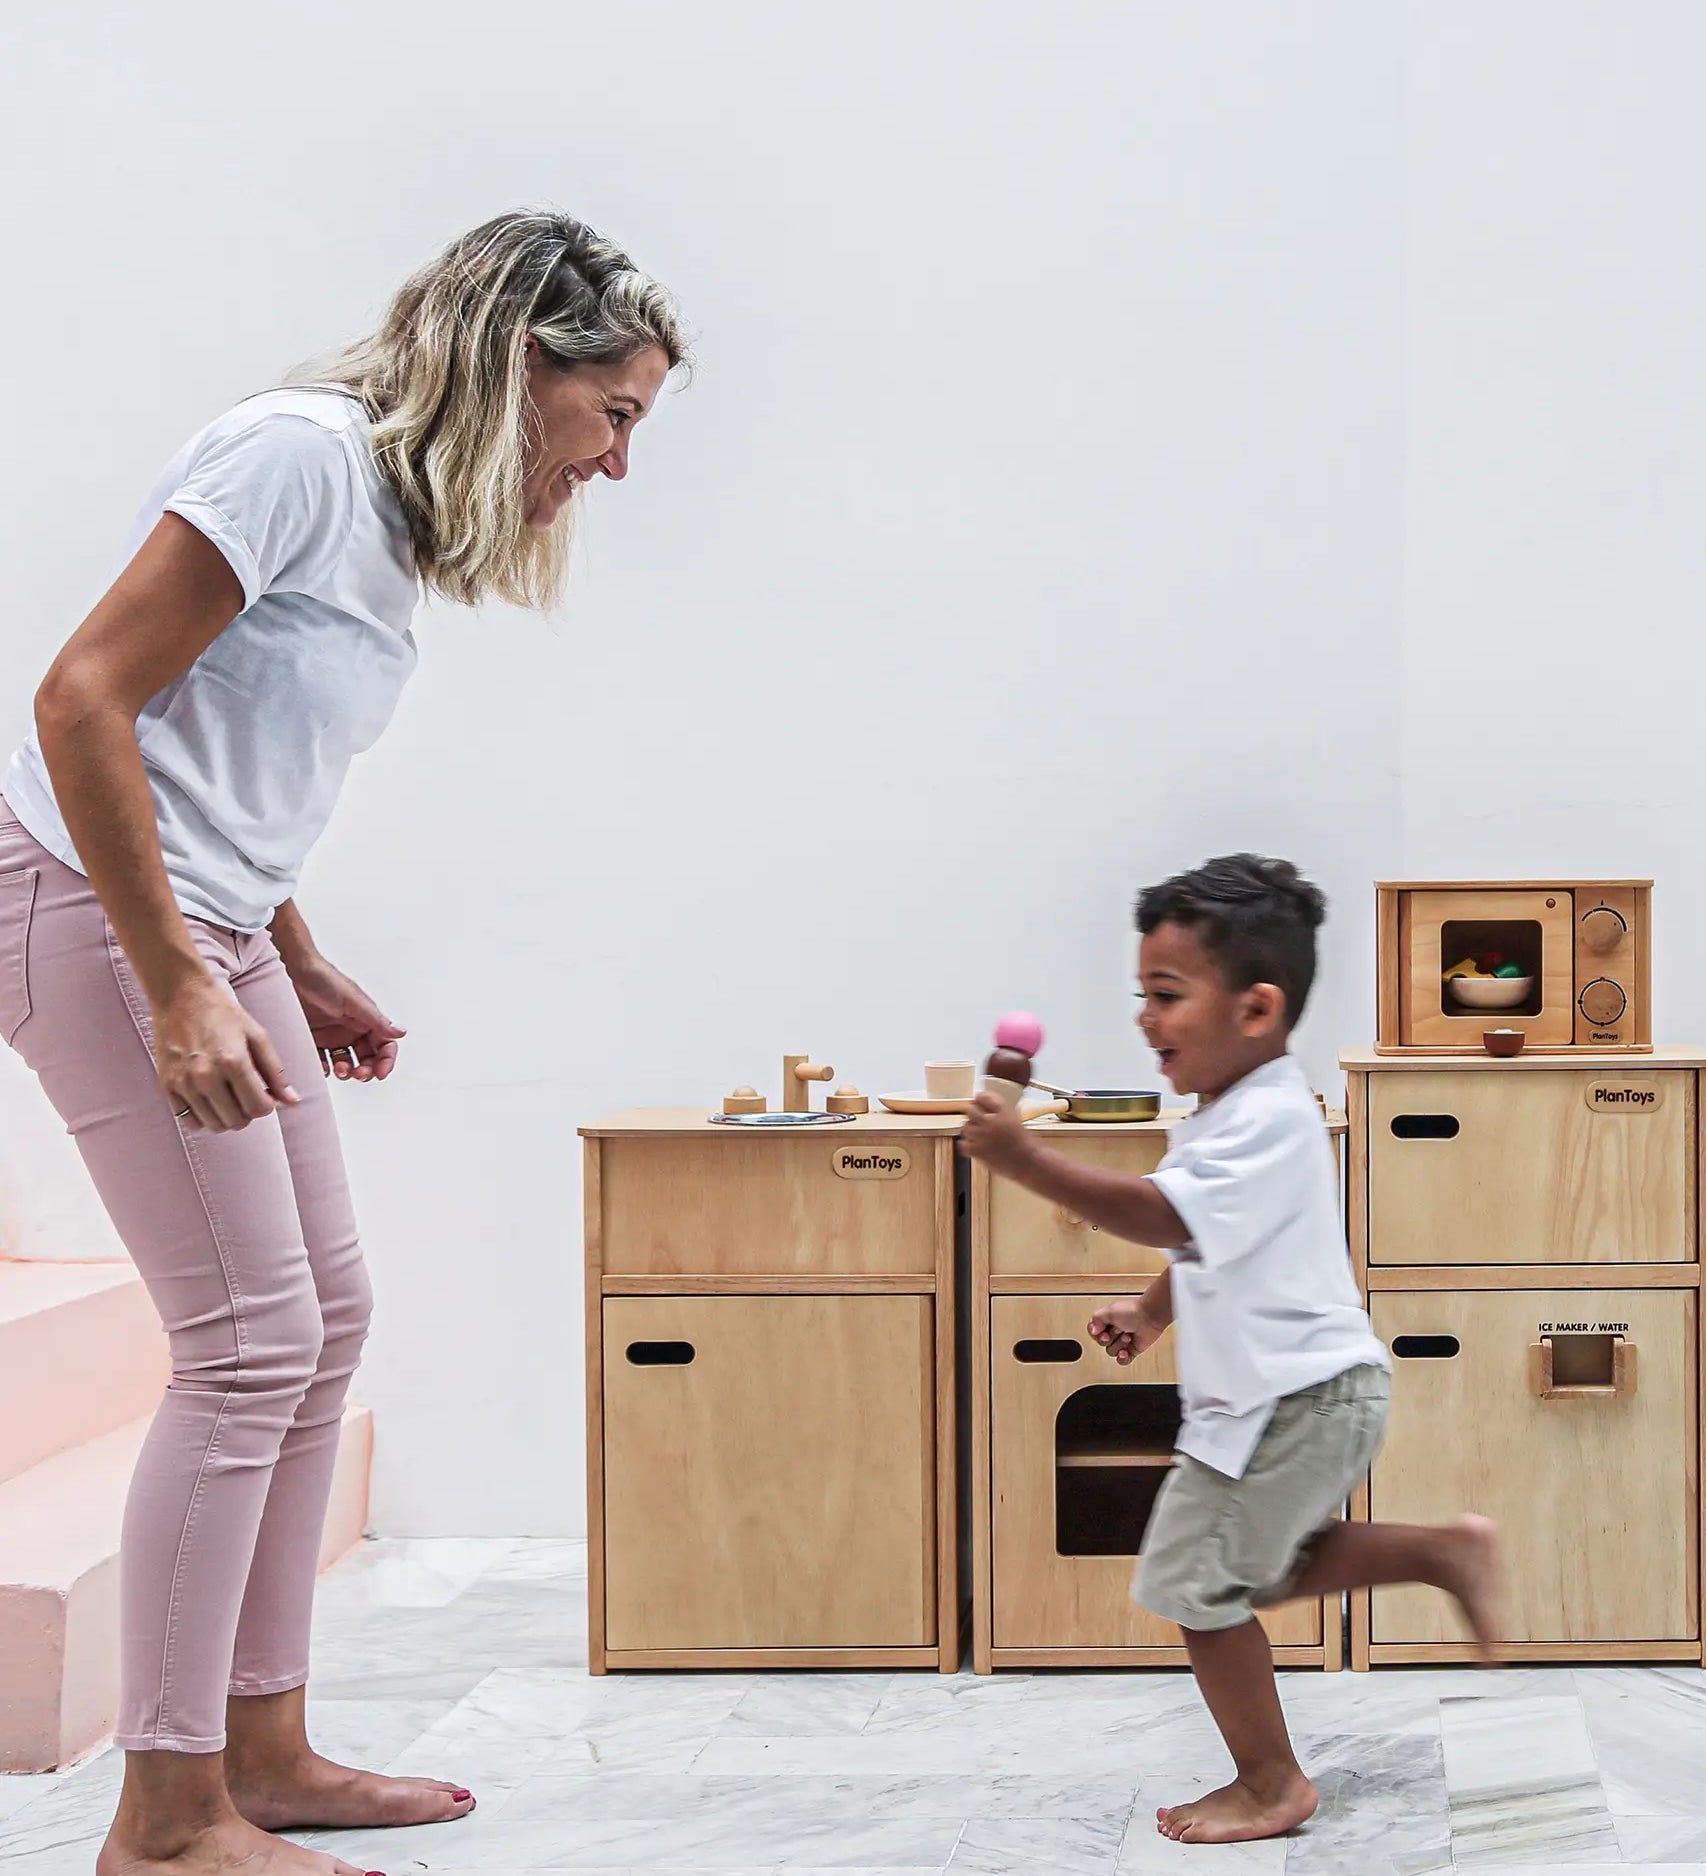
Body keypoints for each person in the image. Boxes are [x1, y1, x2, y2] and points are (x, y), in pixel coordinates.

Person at [0, 208, 687, 1876]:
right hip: (88, 910)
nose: (611, 467)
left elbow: (219, 754)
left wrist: (292, 955)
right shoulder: (297, 455)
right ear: (525, 364)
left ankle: (265, 1748)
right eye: (613, 419)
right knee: (245, 1343)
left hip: (212, 926)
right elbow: (83, 696)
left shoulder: (383, 517)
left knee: (324, 1319)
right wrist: (174, 982)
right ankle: (163, 1823)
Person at [960, 853, 1502, 1847]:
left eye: (1165, 995)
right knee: (1236, 1576)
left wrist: (1023, 1158)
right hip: (1279, 1400)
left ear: (1255, 1009)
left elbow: (1166, 1209)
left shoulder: (1267, 1117)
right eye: (1141, 994)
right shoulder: (1226, 1116)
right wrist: (1154, 1308)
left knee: (1194, 1583)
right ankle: (1436, 1550)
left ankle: (1271, 1784)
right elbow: (1207, 1236)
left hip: (1296, 1399)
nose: (1143, 1016)